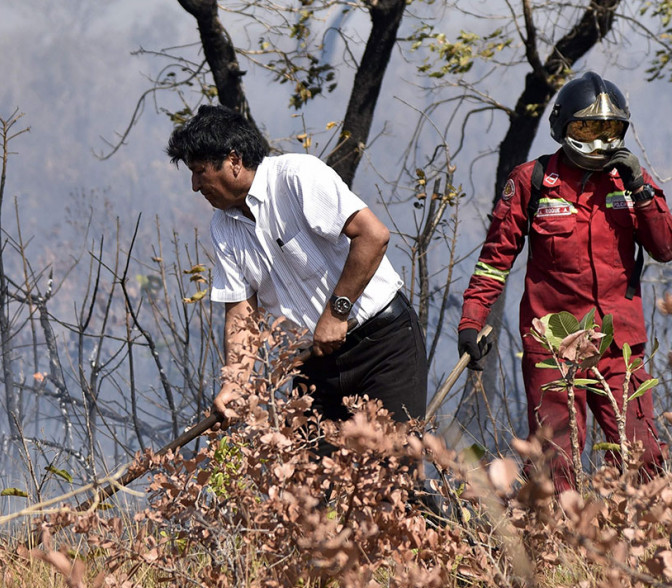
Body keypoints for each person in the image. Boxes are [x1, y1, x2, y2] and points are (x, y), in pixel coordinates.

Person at [458, 71, 672, 493]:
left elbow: (665, 248)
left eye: (609, 130)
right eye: (587, 129)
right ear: (562, 127)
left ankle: (640, 549)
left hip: (620, 344)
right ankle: (558, 556)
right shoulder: (530, 181)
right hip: (553, 347)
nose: (598, 141)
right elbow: (494, 259)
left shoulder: (632, 182)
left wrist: (640, 191)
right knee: (554, 464)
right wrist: (471, 321)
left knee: (642, 456)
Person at [165, 104, 428, 430]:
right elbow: (240, 313)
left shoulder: (296, 177)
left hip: (383, 348)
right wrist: (235, 382)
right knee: (310, 477)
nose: (194, 185)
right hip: (314, 366)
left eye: (199, 171)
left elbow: (373, 236)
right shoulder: (223, 227)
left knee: (393, 468)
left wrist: (336, 313)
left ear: (233, 160)